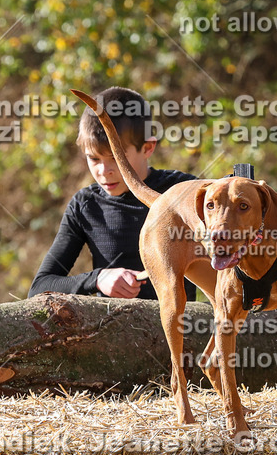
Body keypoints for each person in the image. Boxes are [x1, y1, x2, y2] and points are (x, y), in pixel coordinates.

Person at [29, 87, 197, 300]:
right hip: (112, 331)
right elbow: (40, 286)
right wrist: (98, 279)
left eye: (116, 158)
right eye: (94, 159)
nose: (104, 171)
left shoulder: (184, 191)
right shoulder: (85, 206)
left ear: (147, 147)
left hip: (183, 330)